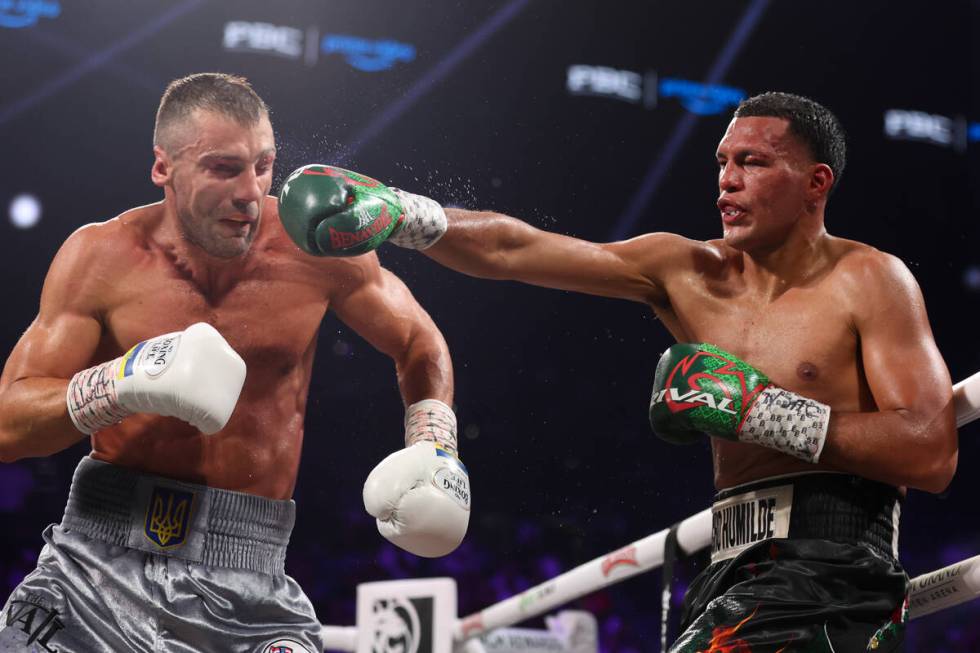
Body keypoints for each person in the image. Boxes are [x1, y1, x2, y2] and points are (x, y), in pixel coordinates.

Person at [287, 92, 957, 650]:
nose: (726, 178)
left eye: (752, 162)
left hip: (834, 568)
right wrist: (403, 214)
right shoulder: (687, 270)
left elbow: (930, 451)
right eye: (722, 161)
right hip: (726, 568)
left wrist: (767, 412)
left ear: (816, 183)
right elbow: (518, 249)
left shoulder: (869, 279)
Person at [0, 72, 470, 653]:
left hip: (250, 588)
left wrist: (435, 443)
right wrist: (121, 381)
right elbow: (8, 427)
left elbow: (419, 341)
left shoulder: (314, 246)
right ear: (163, 167)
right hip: (90, 571)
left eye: (264, 165)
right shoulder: (100, 257)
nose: (251, 192)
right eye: (224, 168)